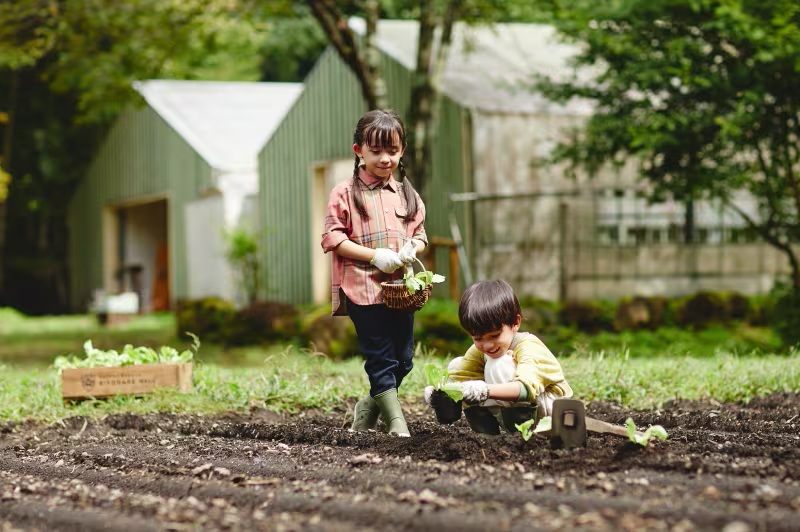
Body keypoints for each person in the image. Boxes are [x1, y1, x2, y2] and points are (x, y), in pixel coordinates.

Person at [321, 109, 427, 437]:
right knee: (380, 358)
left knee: (404, 359)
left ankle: (367, 408)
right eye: (376, 151)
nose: (385, 159)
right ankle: (397, 423)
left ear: (402, 150)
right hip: (362, 288)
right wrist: (374, 256)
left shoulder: (407, 194)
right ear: (359, 151)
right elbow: (332, 238)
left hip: (400, 291)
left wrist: (413, 249)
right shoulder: (345, 192)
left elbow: (420, 234)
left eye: (392, 151)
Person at [425, 279, 573, 435]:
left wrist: (484, 390)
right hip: (518, 408)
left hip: (553, 411)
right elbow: (459, 380)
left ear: (516, 322)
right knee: (458, 366)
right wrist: (440, 393)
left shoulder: (528, 347)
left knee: (499, 365)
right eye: (478, 338)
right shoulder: (479, 351)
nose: (487, 345)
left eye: (494, 335)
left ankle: (520, 436)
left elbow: (526, 389)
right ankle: (487, 436)